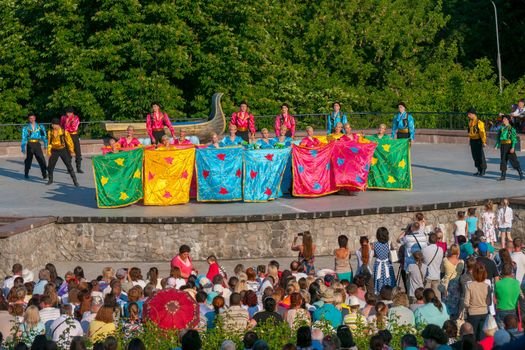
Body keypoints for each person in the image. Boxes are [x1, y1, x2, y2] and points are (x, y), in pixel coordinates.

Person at [46, 118, 78, 186]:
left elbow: (69, 142)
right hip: (54, 151)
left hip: (62, 150)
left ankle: (75, 181)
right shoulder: (50, 132)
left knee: (69, 165)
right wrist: (49, 152)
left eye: (53, 124)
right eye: (52, 124)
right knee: (50, 166)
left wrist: (72, 151)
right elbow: (49, 143)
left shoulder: (64, 132)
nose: (52, 126)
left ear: (57, 125)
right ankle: (50, 180)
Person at [464, 262, 490, 341]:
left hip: (473, 313)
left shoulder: (470, 285)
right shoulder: (487, 286)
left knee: (472, 336)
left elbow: (466, 302)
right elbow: (489, 302)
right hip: (484, 312)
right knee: (482, 337)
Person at [495, 115, 523, 180]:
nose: (503, 120)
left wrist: (513, 147)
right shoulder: (501, 128)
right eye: (503, 119)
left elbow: (514, 139)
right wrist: (497, 145)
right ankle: (503, 176)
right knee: (503, 160)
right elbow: (498, 138)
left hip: (509, 145)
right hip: (503, 145)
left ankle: (520, 173)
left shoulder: (511, 129)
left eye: (504, 119)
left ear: (508, 120)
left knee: (513, 160)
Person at [21, 113, 48, 179]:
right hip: (30, 144)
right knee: (28, 159)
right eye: (30, 118)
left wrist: (45, 144)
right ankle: (26, 173)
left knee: (41, 159)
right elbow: (24, 138)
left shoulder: (40, 127)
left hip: (37, 144)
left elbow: (43, 136)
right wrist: (23, 147)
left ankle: (44, 173)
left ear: (35, 118)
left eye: (33, 118)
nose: (32, 119)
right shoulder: (26, 128)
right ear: (29, 119)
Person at [441, 244, 464, 320]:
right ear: (458, 251)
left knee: (445, 306)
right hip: (457, 287)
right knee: (455, 306)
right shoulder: (462, 262)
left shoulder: (445, 260)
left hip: (446, 286)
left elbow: (442, 272)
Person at [494, 263, 520, 329]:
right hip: (512, 309)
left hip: (501, 310)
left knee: (502, 334)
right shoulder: (517, 283)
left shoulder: (498, 284)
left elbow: (495, 299)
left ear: (502, 271)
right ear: (511, 271)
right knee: (513, 332)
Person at [373, 227, 395, 294]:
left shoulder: (375, 244)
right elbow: (392, 253)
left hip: (378, 264)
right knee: (388, 278)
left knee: (379, 279)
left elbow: (375, 254)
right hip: (387, 264)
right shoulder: (389, 243)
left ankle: (379, 292)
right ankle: (389, 292)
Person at [60, 108, 83, 173]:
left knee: (77, 151)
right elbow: (61, 126)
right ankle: (69, 168)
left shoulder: (76, 118)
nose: (68, 114)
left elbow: (74, 128)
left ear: (73, 113)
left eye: (70, 113)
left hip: (74, 135)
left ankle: (78, 168)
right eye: (67, 113)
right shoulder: (63, 117)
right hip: (66, 136)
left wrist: (66, 125)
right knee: (67, 152)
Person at [422, 232, 444, 300]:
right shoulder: (440, 250)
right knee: (437, 298)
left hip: (427, 275)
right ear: (437, 240)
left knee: (426, 298)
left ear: (429, 240)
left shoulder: (424, 249)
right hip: (436, 275)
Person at [467, 109, 487, 176]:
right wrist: (470, 140)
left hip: (478, 140)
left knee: (480, 155)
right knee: (474, 155)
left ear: (473, 114)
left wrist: (484, 141)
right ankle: (478, 169)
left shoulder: (479, 122)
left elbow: (482, 133)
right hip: (472, 140)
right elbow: (470, 132)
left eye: (469, 114)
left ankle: (483, 169)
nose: (468, 116)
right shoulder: (470, 122)